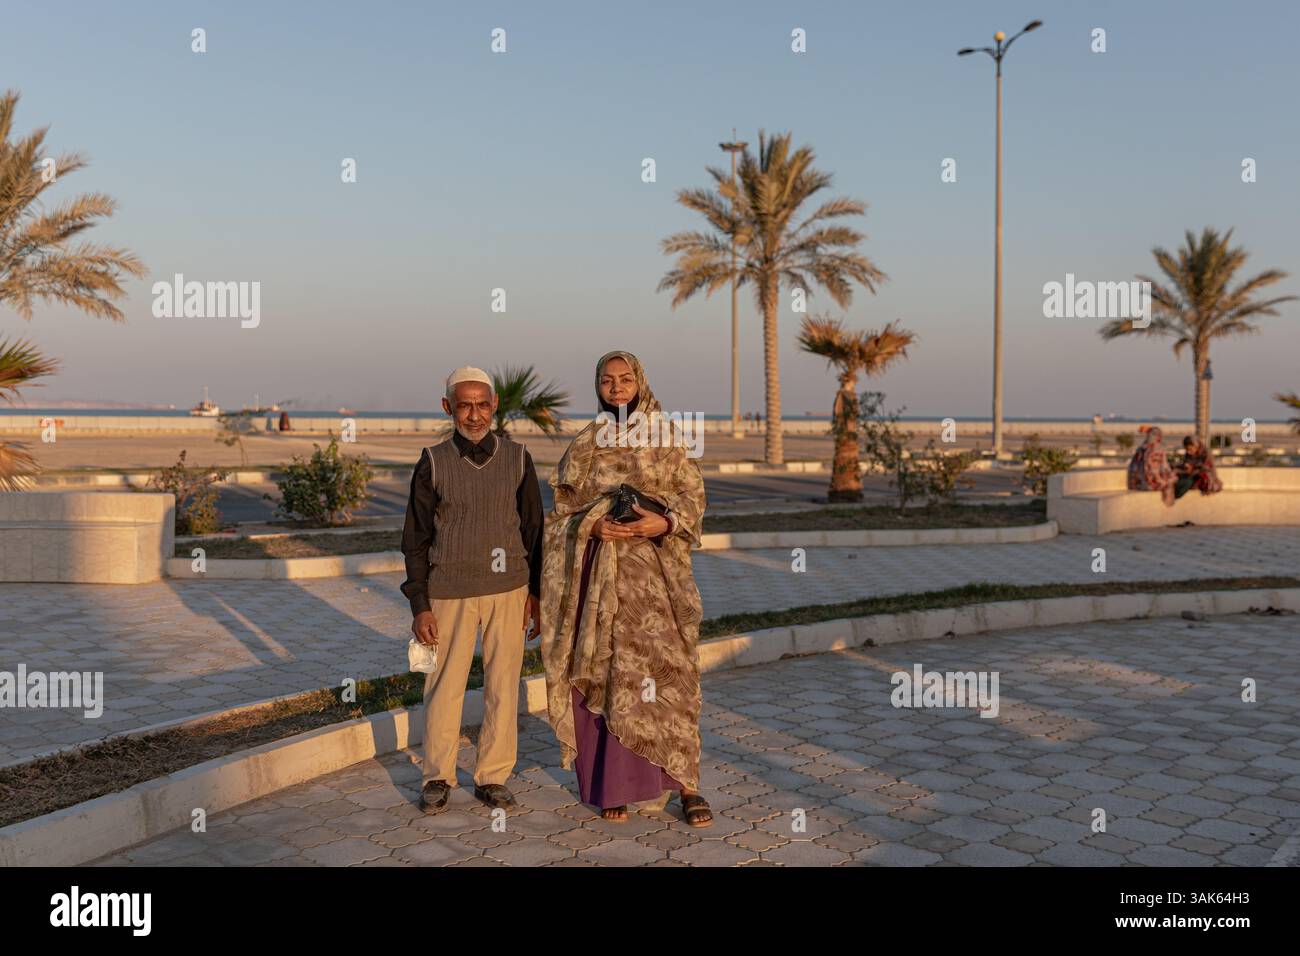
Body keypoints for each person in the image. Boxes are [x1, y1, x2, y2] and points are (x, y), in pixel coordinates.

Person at [538, 350, 713, 827]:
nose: (616, 387)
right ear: (598, 387)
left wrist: (663, 521)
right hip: (599, 583)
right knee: (609, 673)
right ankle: (612, 784)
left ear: (640, 382)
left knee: (672, 677)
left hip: (658, 585)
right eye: (607, 380)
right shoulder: (586, 444)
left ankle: (688, 785)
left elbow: (693, 500)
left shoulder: (666, 438)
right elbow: (559, 517)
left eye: (625, 378)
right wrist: (591, 528)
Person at [399, 366, 543, 814]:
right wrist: (420, 604)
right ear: (448, 407)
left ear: (494, 405)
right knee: (444, 686)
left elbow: (534, 529)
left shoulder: (518, 458)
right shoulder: (434, 461)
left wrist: (536, 595)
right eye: (465, 404)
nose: (475, 414)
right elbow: (416, 539)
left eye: (483, 404)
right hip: (449, 591)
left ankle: (493, 776)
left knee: (503, 684)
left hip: (510, 589)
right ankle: (437, 775)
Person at [1126, 425, 1176, 506]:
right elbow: (1159, 468)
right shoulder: (1156, 449)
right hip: (1148, 483)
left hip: (1136, 484)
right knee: (1172, 480)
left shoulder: (1142, 447)